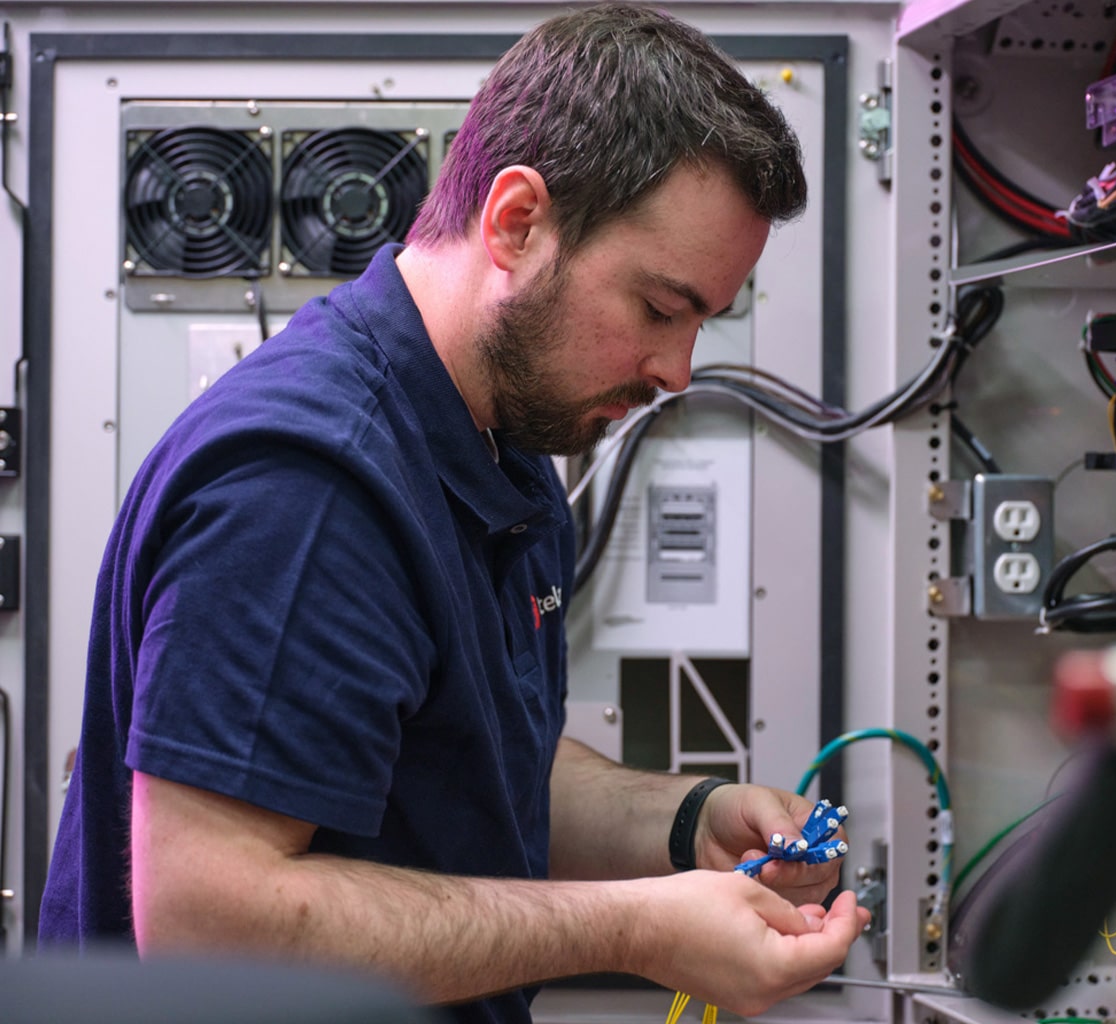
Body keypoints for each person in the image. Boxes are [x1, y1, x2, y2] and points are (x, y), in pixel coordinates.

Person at [39, 4, 870, 1023]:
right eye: (659, 308)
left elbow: (457, 764)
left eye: (700, 320)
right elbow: (213, 921)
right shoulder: (313, 489)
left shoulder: (497, 444)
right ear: (516, 222)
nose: (675, 369)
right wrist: (635, 926)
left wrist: (684, 820)